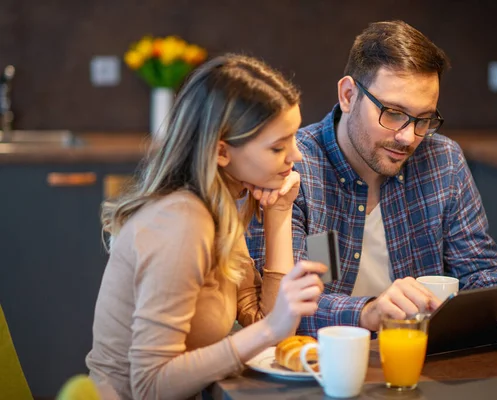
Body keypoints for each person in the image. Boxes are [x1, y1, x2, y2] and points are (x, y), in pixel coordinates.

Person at [247, 21, 497, 350]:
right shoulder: (293, 168)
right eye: (393, 113)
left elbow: (481, 270)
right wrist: (369, 312)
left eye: (424, 119)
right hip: (320, 367)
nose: (408, 137)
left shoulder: (443, 161)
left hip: (422, 365)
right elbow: (276, 308)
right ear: (348, 95)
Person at [86, 54, 326, 400]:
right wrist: (271, 329)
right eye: (278, 146)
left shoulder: (221, 205)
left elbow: (264, 324)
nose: (296, 156)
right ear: (221, 152)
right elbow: (149, 386)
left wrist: (279, 214)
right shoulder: (182, 223)